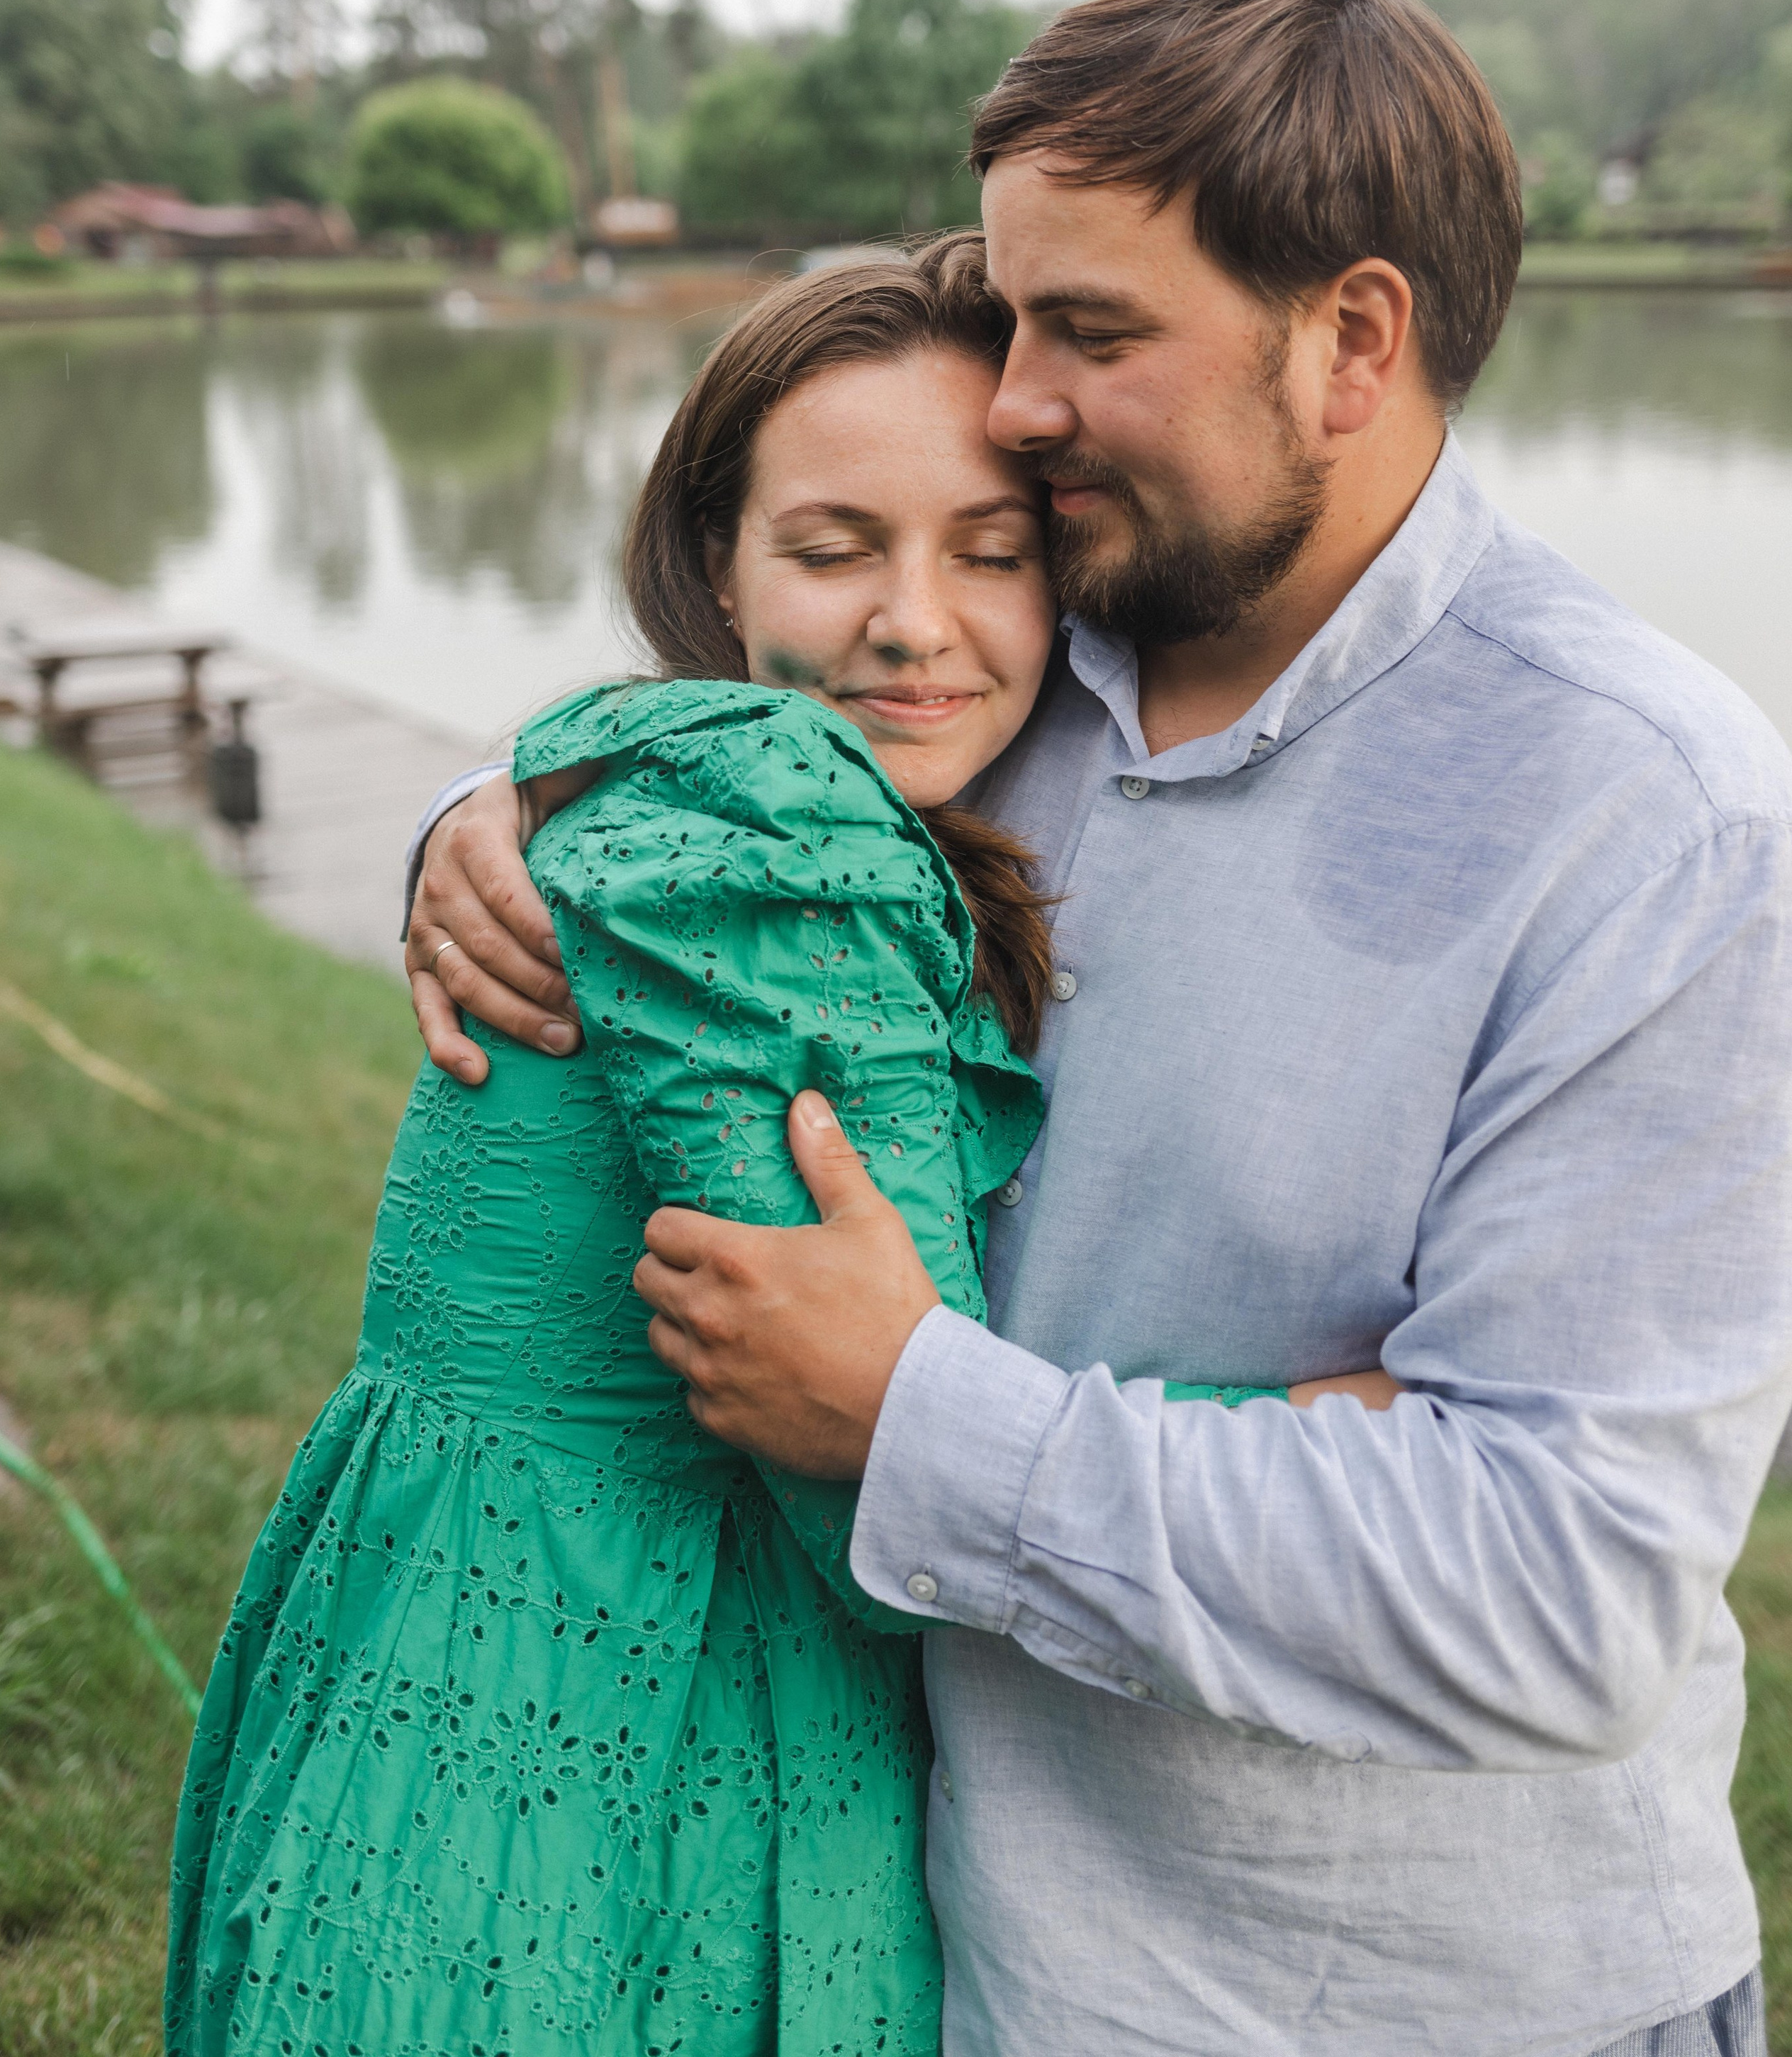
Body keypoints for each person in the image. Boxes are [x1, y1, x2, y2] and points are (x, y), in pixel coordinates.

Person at [411, 0, 1792, 2057]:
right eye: (1021, 309)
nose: (1018, 395)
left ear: (1351, 340)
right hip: (985, 1958)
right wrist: (489, 816)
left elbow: (1561, 1591)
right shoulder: (1007, 678)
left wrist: (915, 1420)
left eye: (1094, 329)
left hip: (1439, 2009)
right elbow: (714, 741)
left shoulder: (1652, 817)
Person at [167, 242, 1372, 2057]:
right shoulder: (787, 845)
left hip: (405, 1627)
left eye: (991, 551)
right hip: (601, 1718)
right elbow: (871, 1457)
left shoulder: (669, 779)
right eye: (832, 549)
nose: (913, 619)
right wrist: (1302, 1440)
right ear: (712, 564)